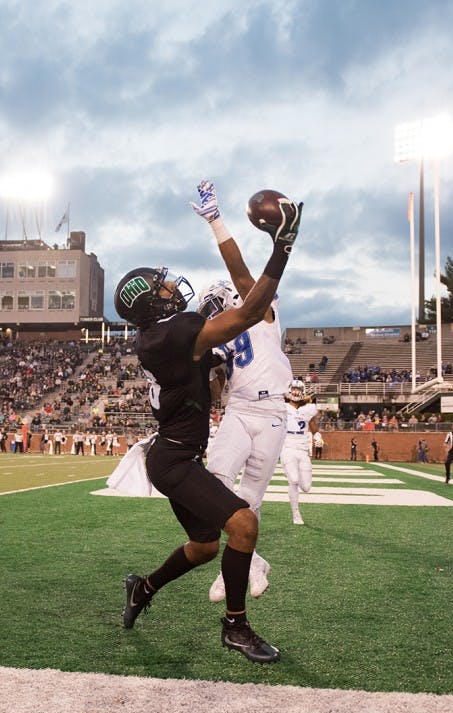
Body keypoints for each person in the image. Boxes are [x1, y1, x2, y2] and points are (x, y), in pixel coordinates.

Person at [114, 179, 301, 663]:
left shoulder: (161, 337)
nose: (172, 287)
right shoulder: (171, 335)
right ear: (151, 304)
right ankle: (236, 627)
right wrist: (282, 247)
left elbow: (211, 374)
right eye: (162, 287)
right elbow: (251, 311)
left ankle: (143, 587)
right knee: (243, 525)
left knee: (203, 547)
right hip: (174, 460)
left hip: (178, 454)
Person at [195, 275, 290, 604]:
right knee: (214, 483)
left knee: (250, 499)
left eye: (213, 305)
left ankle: (233, 568)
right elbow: (216, 391)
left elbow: (249, 284)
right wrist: (208, 370)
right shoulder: (222, 336)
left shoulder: (263, 313)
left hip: (272, 411)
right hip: (238, 409)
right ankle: (253, 561)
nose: (211, 314)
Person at [281, 380, 318, 525]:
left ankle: (294, 478)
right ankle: (296, 514)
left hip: (303, 449)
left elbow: (313, 425)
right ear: (289, 390)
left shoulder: (309, 409)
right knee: (294, 480)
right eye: (294, 389)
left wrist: (317, 435)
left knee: (306, 487)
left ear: (303, 392)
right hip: (287, 447)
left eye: (299, 390)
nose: (296, 392)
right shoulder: (281, 407)